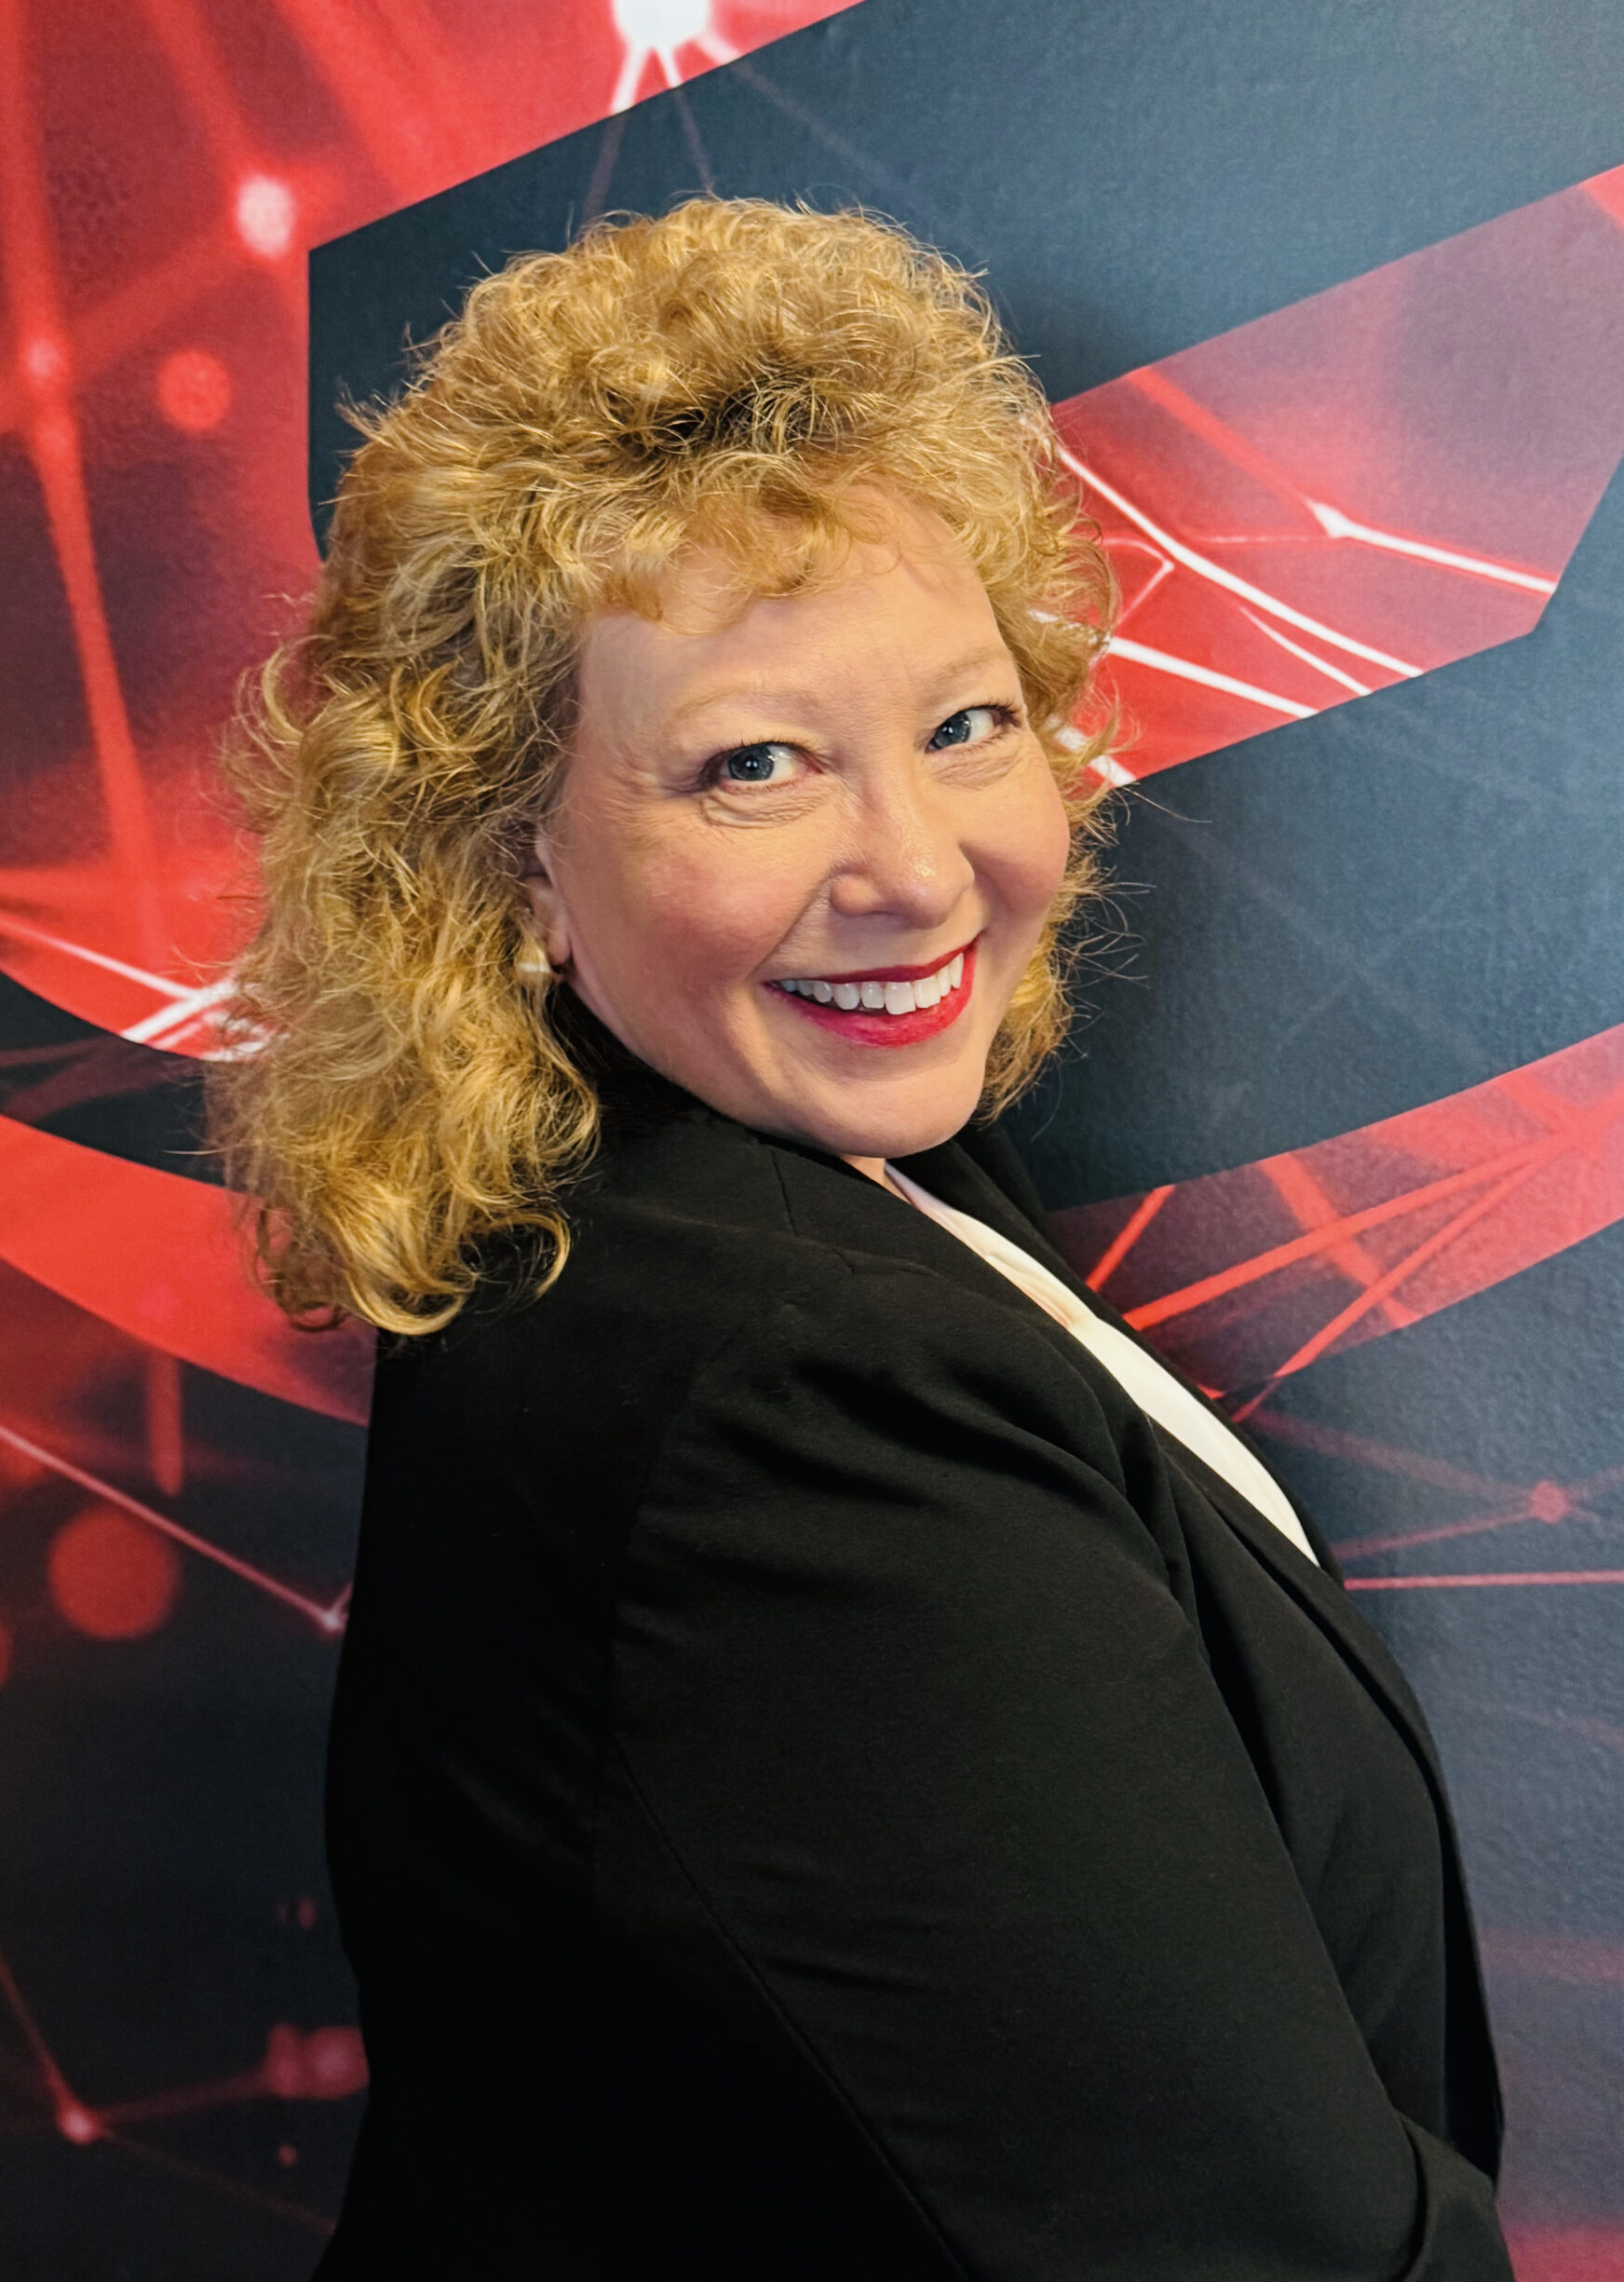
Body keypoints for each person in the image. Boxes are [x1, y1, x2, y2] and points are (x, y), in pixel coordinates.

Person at [213, 198, 1514, 2278]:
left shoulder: (766, 1170)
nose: (915, 869)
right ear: (517, 858)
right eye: (756, 765)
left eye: (964, 724)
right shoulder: (792, 1401)